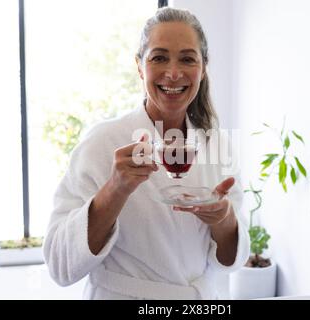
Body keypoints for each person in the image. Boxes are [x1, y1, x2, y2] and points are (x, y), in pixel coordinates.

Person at [43, 7, 250, 300]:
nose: (174, 72)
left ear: (203, 68)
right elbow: (60, 265)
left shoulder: (219, 144)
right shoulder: (102, 142)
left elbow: (233, 261)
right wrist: (115, 189)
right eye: (159, 57)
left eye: (188, 59)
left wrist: (224, 219)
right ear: (140, 66)